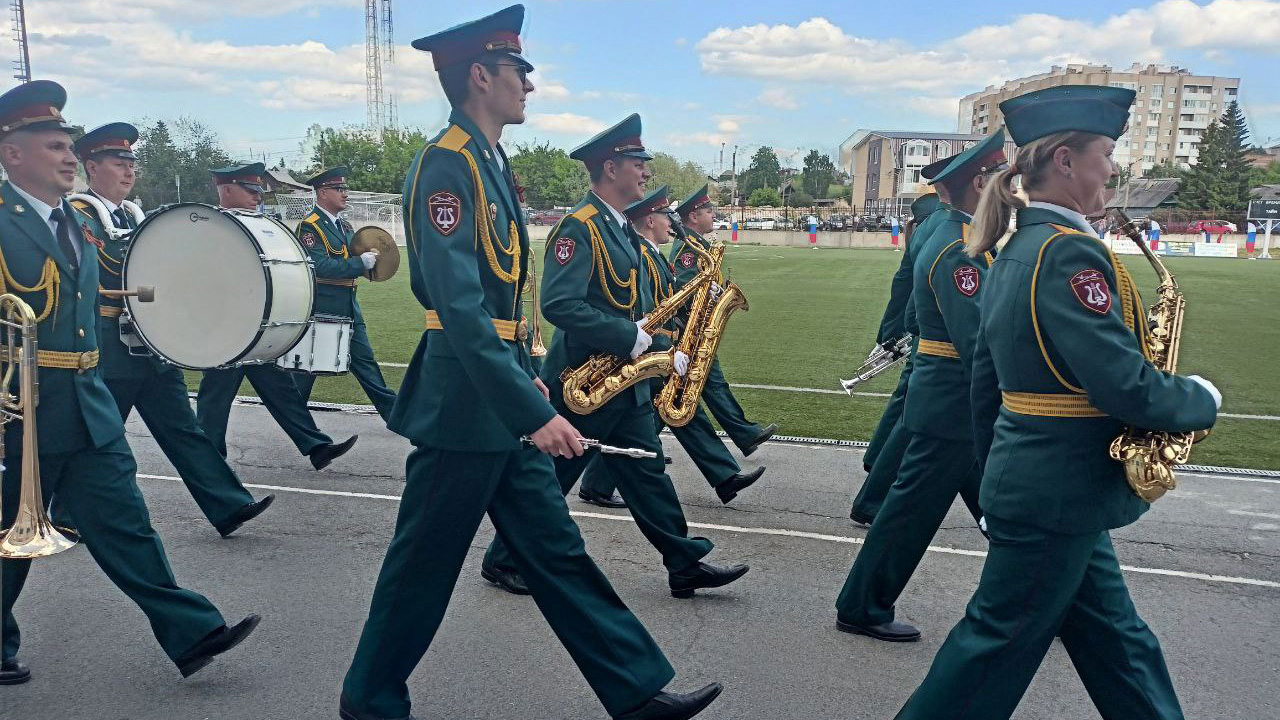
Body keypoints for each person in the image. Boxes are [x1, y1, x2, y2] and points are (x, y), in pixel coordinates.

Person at [340, 9, 722, 719]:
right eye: (519, 73)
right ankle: (368, 701)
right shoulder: (447, 163)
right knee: (420, 572)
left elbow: (505, 305)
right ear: (480, 75)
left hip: (499, 397)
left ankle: (636, 692)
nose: (529, 87)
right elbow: (459, 310)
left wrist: (532, 376)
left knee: (557, 552)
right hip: (465, 407)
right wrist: (533, 410)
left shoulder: (489, 160)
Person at [894, 84, 1221, 720]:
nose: (1113, 167)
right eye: (1105, 153)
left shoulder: (1018, 248)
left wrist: (994, 482)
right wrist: (1200, 398)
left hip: (1048, 490)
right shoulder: (1065, 252)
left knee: (1120, 644)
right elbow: (1124, 385)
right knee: (992, 646)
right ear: (1066, 161)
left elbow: (985, 387)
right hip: (1056, 491)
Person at [0, 80, 259, 687]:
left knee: (127, 526)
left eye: (69, 144)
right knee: (8, 542)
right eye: (53, 145)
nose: (69, 156)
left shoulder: (76, 225)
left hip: (87, 403)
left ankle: (192, 632)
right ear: (11, 153)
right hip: (22, 414)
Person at [481, 117, 749, 600]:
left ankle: (683, 562)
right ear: (610, 167)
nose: (645, 173)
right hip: (583, 380)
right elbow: (558, 304)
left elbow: (636, 303)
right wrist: (629, 337)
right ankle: (502, 559)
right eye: (637, 164)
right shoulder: (580, 227)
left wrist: (657, 344)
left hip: (622, 380)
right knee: (552, 474)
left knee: (646, 469)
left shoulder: (619, 227)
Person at [834, 130, 1006, 643]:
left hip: (945, 394)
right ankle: (862, 604)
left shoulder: (939, 230)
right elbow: (975, 337)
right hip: (956, 397)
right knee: (913, 510)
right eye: (1000, 177)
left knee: (1002, 508)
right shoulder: (958, 244)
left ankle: (1057, 598)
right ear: (980, 182)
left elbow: (912, 304)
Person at [70, 123, 274, 538]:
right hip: (112, 343)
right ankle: (64, 516)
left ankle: (228, 505)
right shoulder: (80, 213)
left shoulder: (133, 213)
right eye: (118, 163)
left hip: (151, 340)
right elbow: (107, 269)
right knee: (98, 440)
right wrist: (161, 250)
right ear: (92, 166)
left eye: (132, 164)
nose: (129, 172)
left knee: (183, 429)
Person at [576, 185, 765, 508]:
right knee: (661, 412)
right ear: (650, 219)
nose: (671, 222)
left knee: (670, 411)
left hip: (665, 347)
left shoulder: (652, 254)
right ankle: (587, 484)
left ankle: (721, 477)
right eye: (666, 216)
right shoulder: (645, 256)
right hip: (655, 349)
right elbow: (650, 311)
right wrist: (670, 346)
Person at [194, 162, 358, 469]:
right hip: (225, 331)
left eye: (259, 191)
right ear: (226, 189)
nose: (258, 197)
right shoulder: (210, 226)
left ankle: (316, 446)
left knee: (280, 390)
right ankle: (210, 459)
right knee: (215, 399)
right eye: (250, 190)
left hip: (256, 328)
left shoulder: (257, 225)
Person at [850, 153, 959, 526]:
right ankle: (873, 491)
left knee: (908, 411)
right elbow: (914, 284)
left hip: (924, 331)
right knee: (915, 417)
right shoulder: (944, 228)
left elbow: (903, 282)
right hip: (938, 339)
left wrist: (893, 329)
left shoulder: (928, 227)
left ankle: (875, 469)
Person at [669, 184, 778, 456]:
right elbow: (683, 285)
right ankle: (745, 434)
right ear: (693, 216)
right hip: (689, 330)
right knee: (675, 397)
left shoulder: (698, 245)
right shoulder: (689, 249)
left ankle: (746, 434)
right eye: (708, 210)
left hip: (697, 327)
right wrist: (711, 293)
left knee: (707, 384)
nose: (713, 214)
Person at [290, 166, 398, 419]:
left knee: (366, 364)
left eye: (345, 188)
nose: (345, 194)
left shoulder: (346, 226)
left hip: (349, 306)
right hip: (323, 310)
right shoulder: (310, 227)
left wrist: (372, 264)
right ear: (322, 192)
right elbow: (319, 266)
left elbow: (354, 260)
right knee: (307, 371)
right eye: (339, 189)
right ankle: (295, 423)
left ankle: (397, 417)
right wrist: (360, 264)